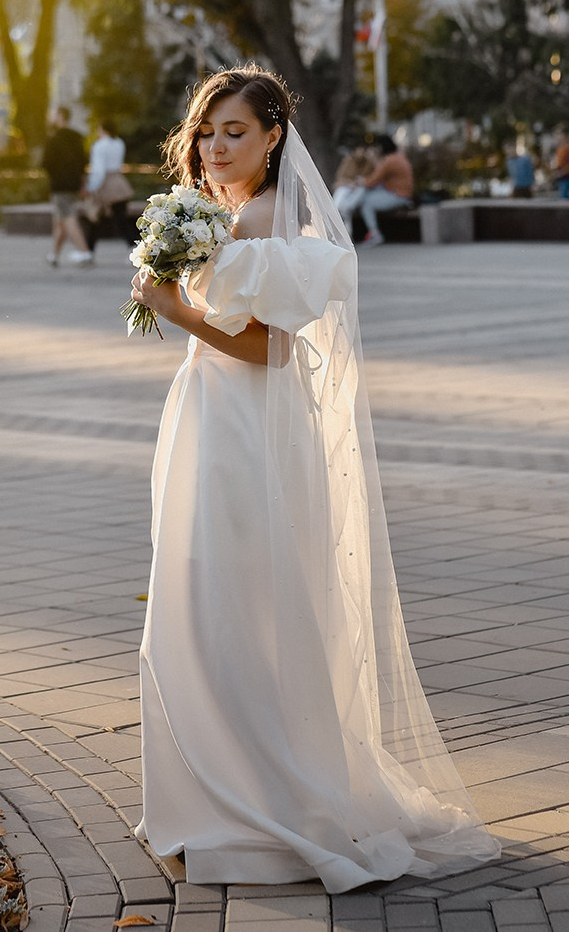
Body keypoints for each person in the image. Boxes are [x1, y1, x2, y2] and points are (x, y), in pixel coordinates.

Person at [129, 65, 499, 891]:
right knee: (207, 602)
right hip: (214, 419)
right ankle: (223, 789)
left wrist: (176, 308)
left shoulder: (263, 220)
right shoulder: (220, 214)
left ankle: (257, 799)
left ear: (272, 139)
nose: (216, 146)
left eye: (235, 131)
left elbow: (272, 349)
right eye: (206, 132)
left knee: (231, 605)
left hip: (247, 431)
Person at [40, 107, 93, 267]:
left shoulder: (53, 139)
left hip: (59, 185)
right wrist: (82, 183)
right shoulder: (77, 138)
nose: (51, 118)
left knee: (68, 217)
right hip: (74, 184)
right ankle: (54, 255)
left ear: (61, 116)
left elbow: (46, 163)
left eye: (54, 114)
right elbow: (84, 162)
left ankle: (84, 252)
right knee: (60, 221)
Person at [77, 119, 135, 254]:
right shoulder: (119, 143)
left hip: (104, 184)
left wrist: (91, 187)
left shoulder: (99, 146)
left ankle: (88, 250)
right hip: (118, 182)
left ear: (102, 129)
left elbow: (99, 170)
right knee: (120, 218)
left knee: (95, 217)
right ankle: (131, 246)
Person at [359, 134, 414, 245]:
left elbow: (372, 180)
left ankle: (375, 234)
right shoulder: (398, 157)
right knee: (369, 197)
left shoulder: (389, 161)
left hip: (398, 195)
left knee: (366, 203)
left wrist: (359, 181)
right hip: (402, 193)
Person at [332, 140, 377, 240]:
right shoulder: (348, 161)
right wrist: (350, 183)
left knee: (360, 190)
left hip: (362, 188)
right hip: (347, 186)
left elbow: (371, 178)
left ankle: (341, 213)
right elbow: (340, 178)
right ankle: (338, 212)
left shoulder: (368, 162)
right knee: (341, 192)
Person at [552, 129, 569, 199]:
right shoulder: (560, 149)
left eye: (558, 135)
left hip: (565, 177)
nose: (557, 138)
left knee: (565, 199)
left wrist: (561, 172)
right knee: (562, 197)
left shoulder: (568, 149)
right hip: (561, 177)